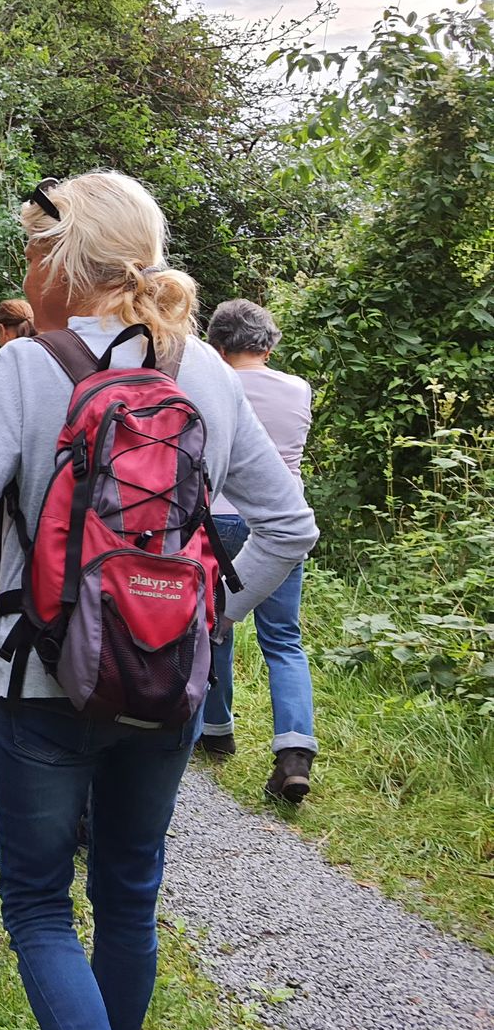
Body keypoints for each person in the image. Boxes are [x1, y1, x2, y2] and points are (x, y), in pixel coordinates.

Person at [0, 171, 317, 1030]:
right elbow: (291, 525)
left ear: (65, 257)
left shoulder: (27, 364)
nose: (25, 264)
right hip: (163, 679)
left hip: (42, 678)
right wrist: (208, 619)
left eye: (33, 246)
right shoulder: (206, 370)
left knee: (36, 904)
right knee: (130, 896)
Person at [200, 298, 318, 801]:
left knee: (214, 628)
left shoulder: (213, 384)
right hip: (282, 521)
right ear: (268, 345)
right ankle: (294, 752)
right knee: (284, 641)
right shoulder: (298, 389)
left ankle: (217, 729)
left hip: (220, 522)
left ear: (217, 344)